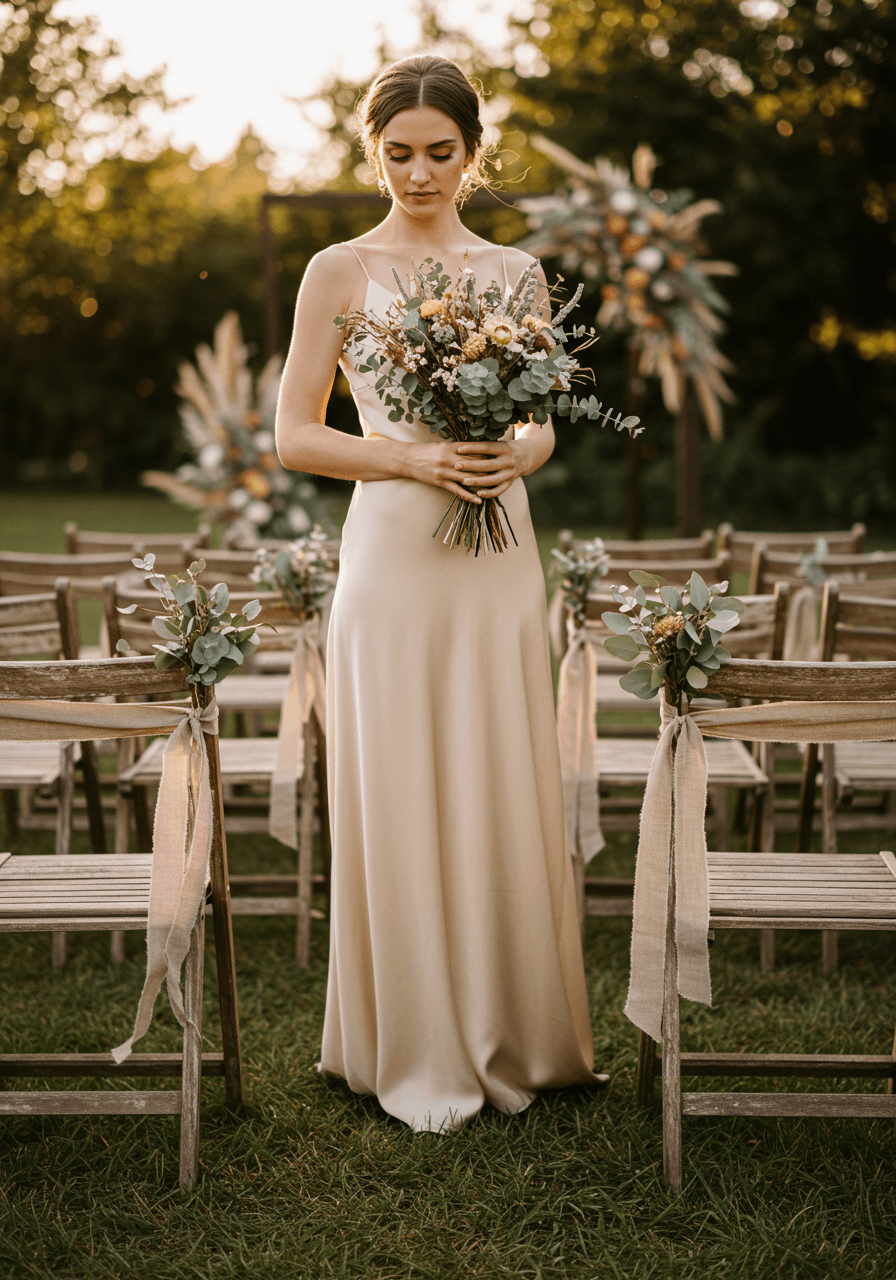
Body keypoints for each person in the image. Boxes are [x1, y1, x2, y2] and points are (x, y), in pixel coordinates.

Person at [276, 54, 598, 1132]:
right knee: (404, 771)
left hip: (497, 547)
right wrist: (412, 459)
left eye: (440, 153)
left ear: (473, 151)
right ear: (374, 151)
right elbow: (294, 434)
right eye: (398, 153)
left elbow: (542, 415)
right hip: (393, 552)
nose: (419, 173)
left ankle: (518, 1031)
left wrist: (520, 455)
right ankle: (404, 1038)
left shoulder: (513, 270)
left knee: (497, 766)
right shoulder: (338, 267)